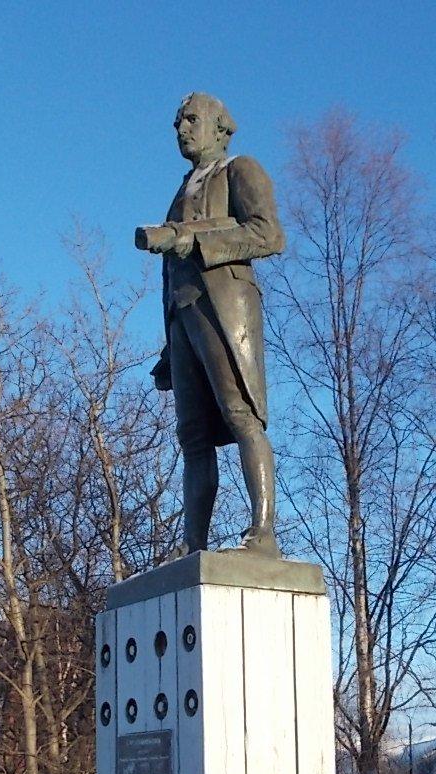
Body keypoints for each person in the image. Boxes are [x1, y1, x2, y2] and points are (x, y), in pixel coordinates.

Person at [136, 92, 285, 557]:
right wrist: (168, 345)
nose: (181, 129)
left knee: (241, 415)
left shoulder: (240, 169)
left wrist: (191, 239)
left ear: (220, 128)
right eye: (178, 123)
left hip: (225, 307)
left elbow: (268, 233)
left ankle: (262, 535)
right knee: (193, 435)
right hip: (183, 316)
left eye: (191, 120)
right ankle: (193, 543)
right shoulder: (181, 190)